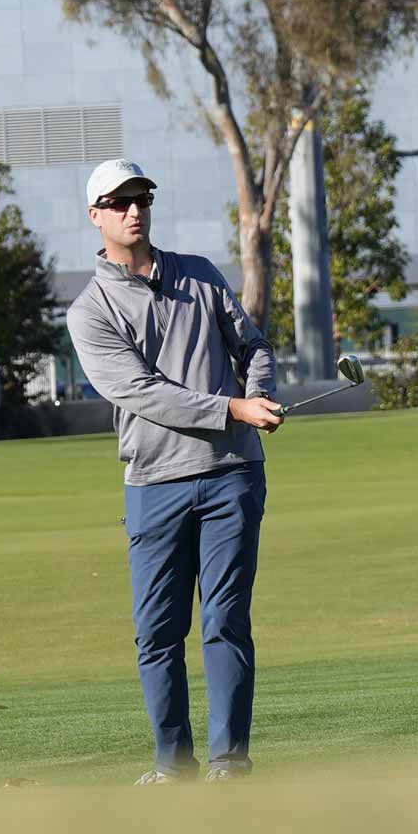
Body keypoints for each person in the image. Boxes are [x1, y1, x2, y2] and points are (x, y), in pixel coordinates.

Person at [65, 158, 284, 785]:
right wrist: (233, 406)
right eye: (119, 202)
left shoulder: (201, 276)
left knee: (224, 622)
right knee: (158, 634)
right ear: (96, 216)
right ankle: (173, 767)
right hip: (154, 484)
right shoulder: (90, 310)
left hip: (231, 474)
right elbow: (143, 392)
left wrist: (259, 394)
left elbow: (255, 347)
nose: (135, 210)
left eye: (142, 198)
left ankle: (229, 764)